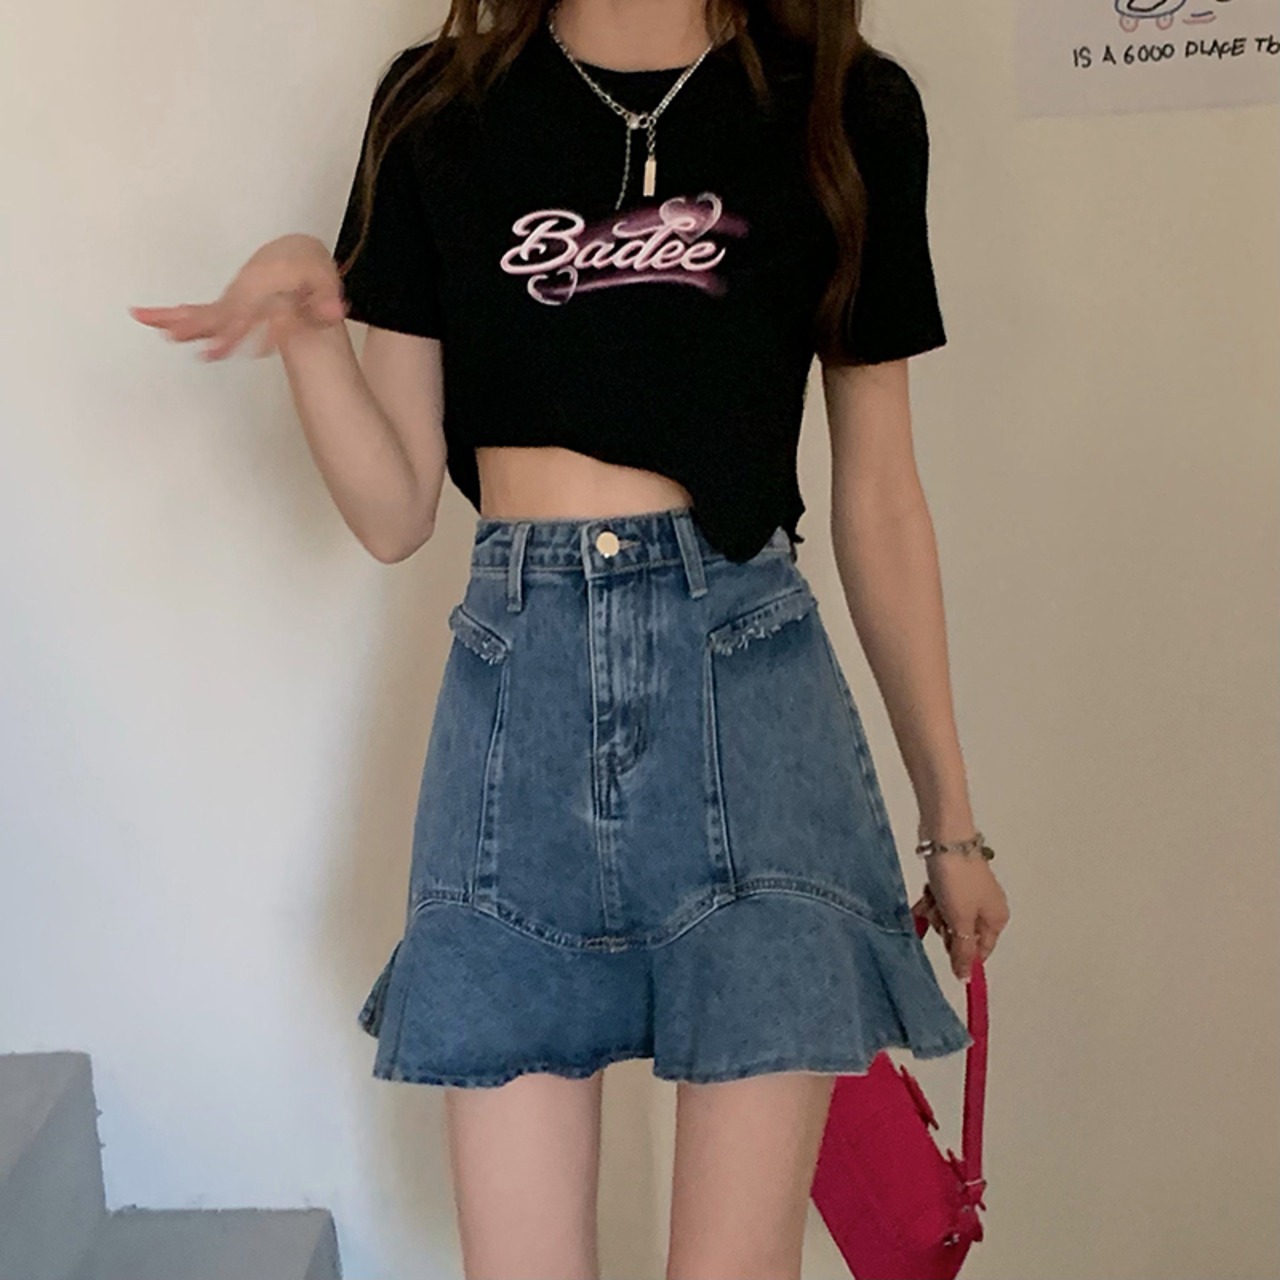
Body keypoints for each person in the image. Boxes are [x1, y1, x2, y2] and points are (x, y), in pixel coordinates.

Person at [130, 0, 1011, 1274]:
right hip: (515, 712)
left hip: (748, 699)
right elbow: (395, 508)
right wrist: (312, 336)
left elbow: (878, 496)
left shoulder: (840, 105)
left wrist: (951, 822)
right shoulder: (438, 108)